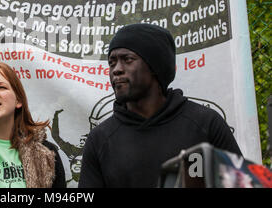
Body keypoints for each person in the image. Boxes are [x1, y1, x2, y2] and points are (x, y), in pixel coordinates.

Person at [78, 23, 242, 188]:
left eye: (127, 60)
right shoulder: (100, 139)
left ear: (155, 66)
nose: (116, 70)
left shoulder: (205, 124)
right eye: (112, 63)